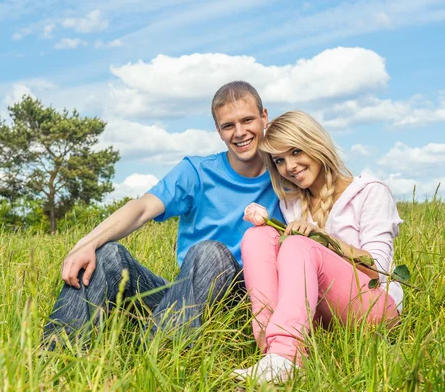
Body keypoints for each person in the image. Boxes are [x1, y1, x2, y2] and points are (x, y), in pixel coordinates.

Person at [42, 81, 284, 349]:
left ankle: (155, 358)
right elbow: (142, 208)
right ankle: (56, 361)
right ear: (218, 130)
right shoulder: (197, 171)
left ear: (264, 117)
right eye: (228, 125)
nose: (240, 132)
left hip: (244, 303)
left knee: (209, 252)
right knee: (105, 254)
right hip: (186, 296)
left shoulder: (286, 174)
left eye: (247, 120)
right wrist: (86, 243)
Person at [232, 110, 403, 383]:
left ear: (315, 144)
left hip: (373, 308)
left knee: (300, 245)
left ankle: (287, 356)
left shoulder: (370, 191)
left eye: (296, 151)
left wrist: (323, 239)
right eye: (279, 160)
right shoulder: (292, 203)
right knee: (257, 236)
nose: (290, 166)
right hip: (321, 316)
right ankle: (271, 350)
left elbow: (379, 270)